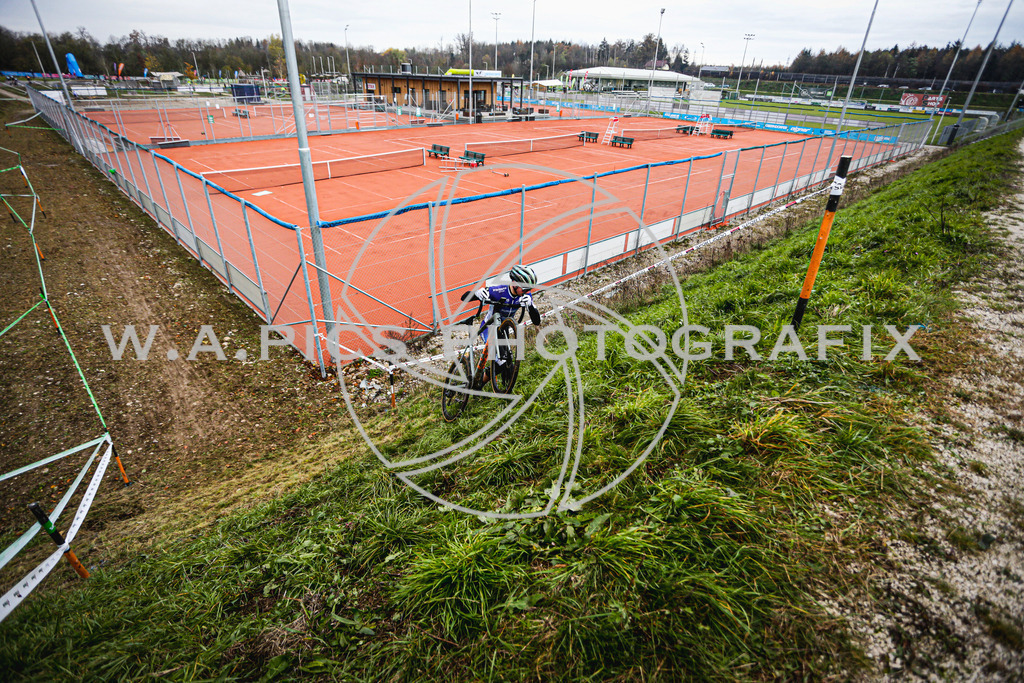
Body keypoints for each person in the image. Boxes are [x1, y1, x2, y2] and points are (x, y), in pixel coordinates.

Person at [462, 265, 542, 382]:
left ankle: (480, 383)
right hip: (489, 328)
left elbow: (537, 321)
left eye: (529, 289)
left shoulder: (525, 295)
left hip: (503, 329)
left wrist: (530, 305)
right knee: (501, 362)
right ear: (514, 283)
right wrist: (477, 294)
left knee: (506, 363)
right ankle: (479, 382)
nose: (527, 292)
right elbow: (464, 298)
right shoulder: (498, 291)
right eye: (524, 288)